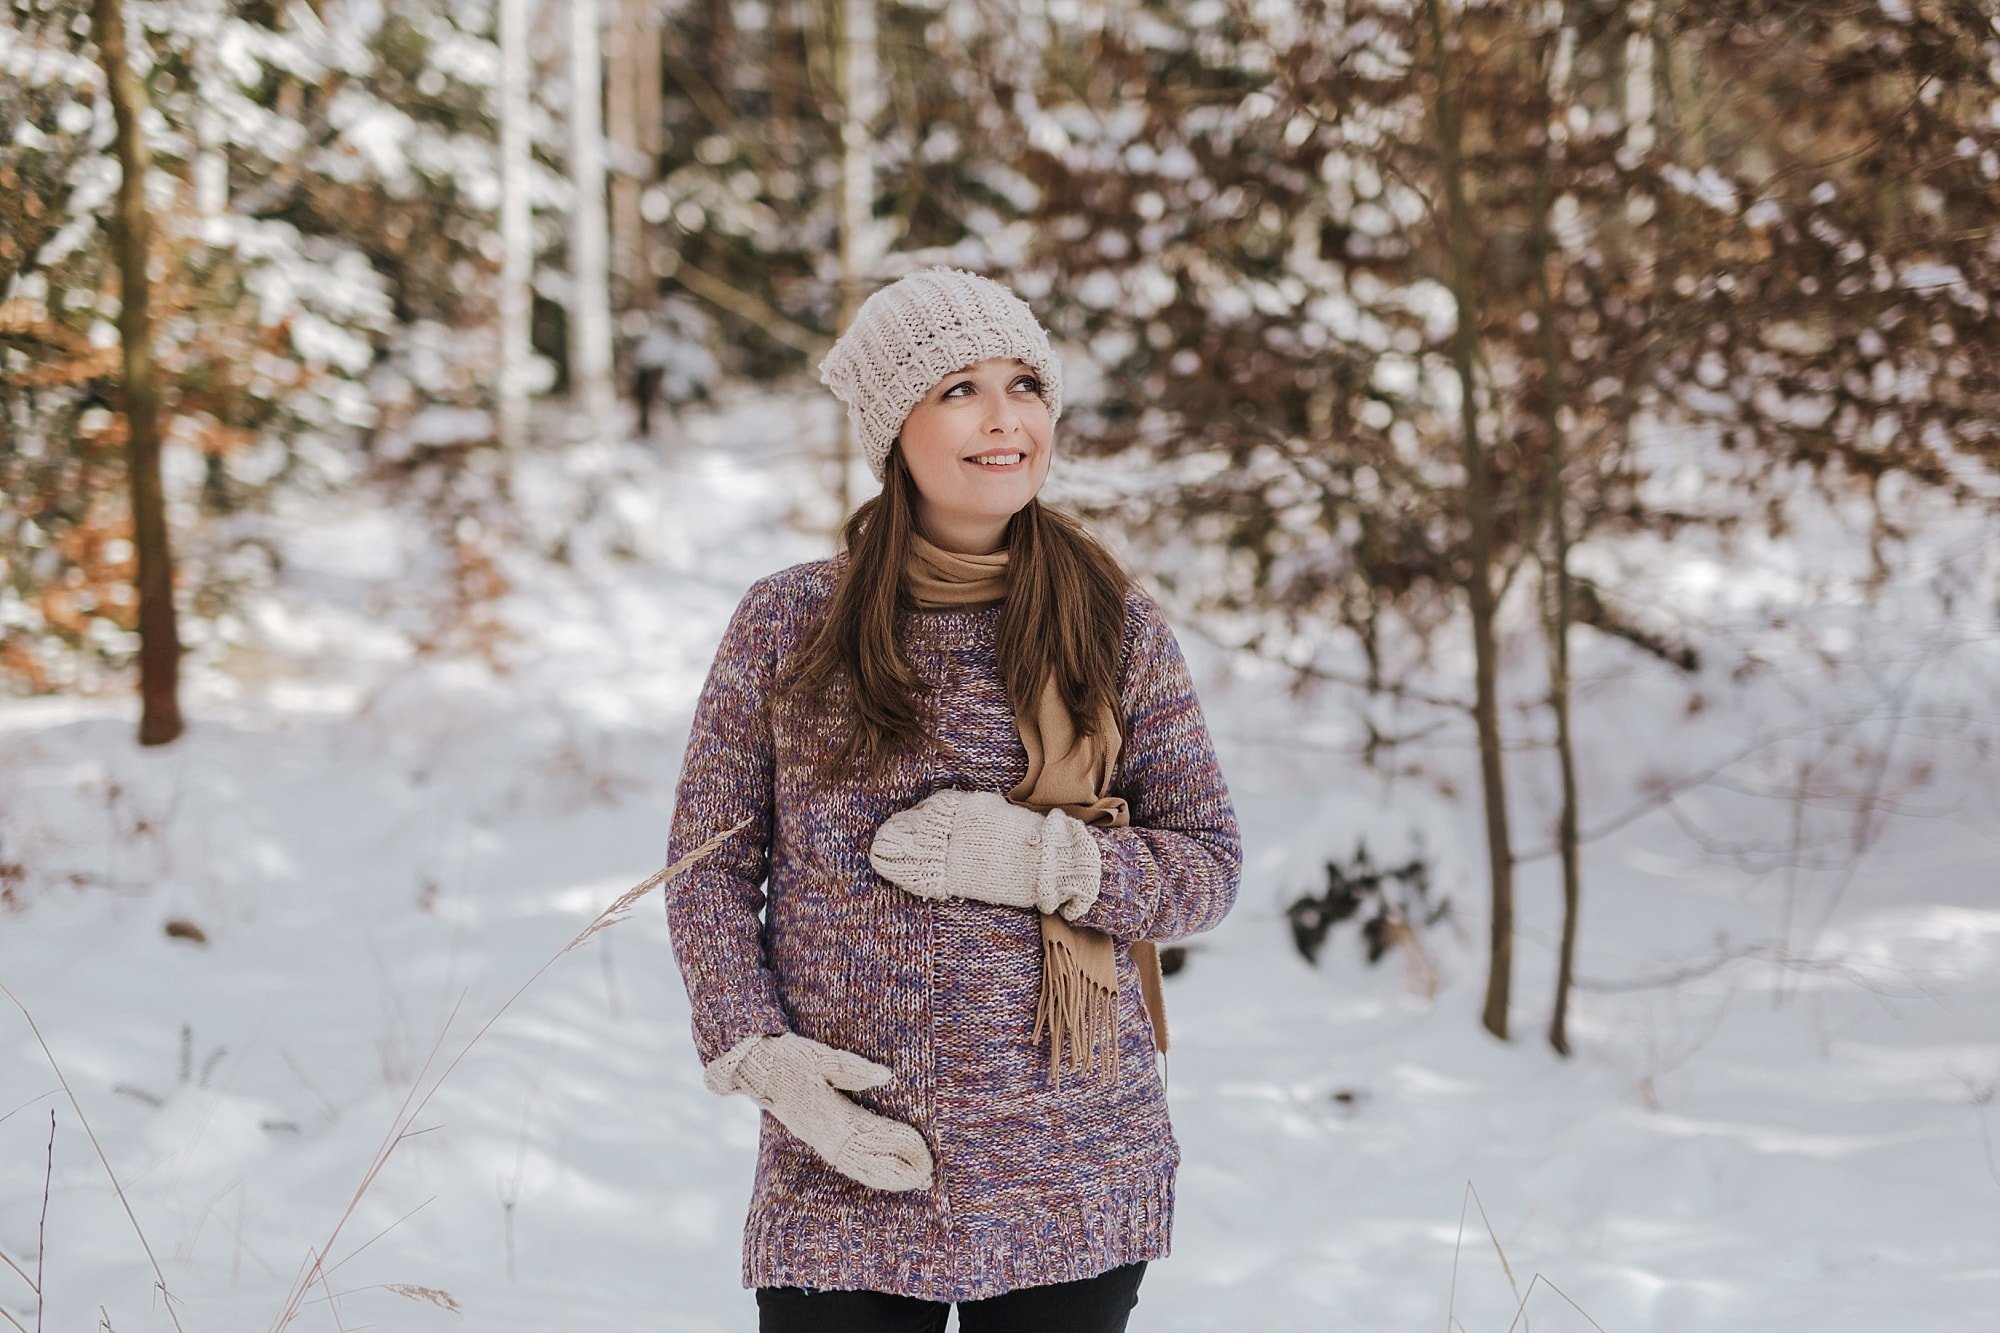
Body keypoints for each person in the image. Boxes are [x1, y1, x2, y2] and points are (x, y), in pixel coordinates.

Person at [663, 266, 1242, 1333]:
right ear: (893, 428)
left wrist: (1046, 862)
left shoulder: (1113, 625)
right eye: (958, 388)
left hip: (1071, 1158)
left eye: (1025, 384)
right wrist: (760, 1054)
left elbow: (1205, 869)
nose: (1003, 417)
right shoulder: (789, 625)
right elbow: (705, 872)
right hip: (848, 1151)